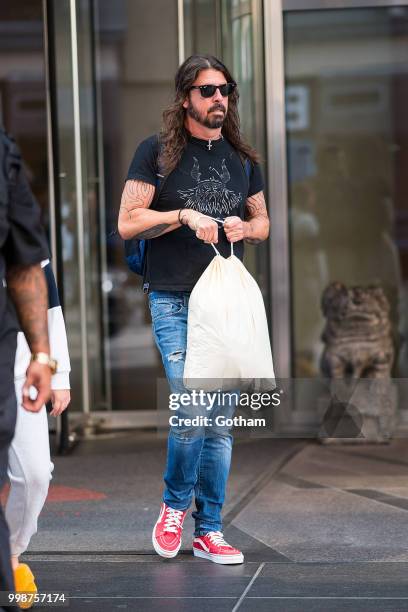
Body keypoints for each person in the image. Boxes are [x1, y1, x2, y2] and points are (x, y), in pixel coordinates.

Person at [118, 54, 269, 565]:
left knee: (220, 422)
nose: (218, 98)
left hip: (223, 303)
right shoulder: (156, 153)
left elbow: (264, 222)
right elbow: (127, 222)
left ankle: (209, 530)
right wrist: (183, 214)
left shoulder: (242, 158)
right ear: (186, 97)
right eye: (207, 91)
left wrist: (244, 229)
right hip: (174, 297)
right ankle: (174, 507)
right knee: (192, 408)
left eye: (225, 89)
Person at [0, 128, 53, 609]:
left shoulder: (4, 154)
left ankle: (12, 556)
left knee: (35, 472)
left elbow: (34, 273)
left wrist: (50, 361)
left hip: (13, 348)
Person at [5, 257, 71, 608]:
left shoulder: (18, 220)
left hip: (18, 373)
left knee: (35, 474)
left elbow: (49, 302)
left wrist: (58, 375)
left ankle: (11, 554)